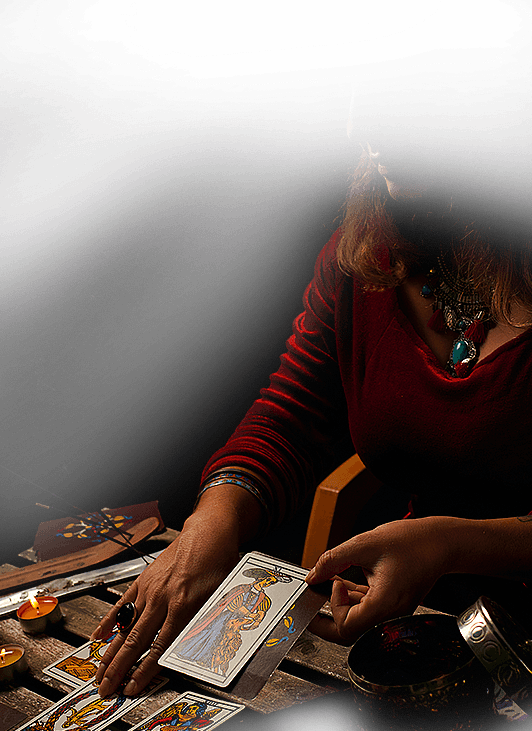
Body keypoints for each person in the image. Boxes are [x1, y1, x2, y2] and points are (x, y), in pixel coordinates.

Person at [91, 139, 532, 699]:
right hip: (429, 621)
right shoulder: (366, 254)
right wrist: (213, 520)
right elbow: (293, 416)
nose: (369, 132)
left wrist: (453, 544)